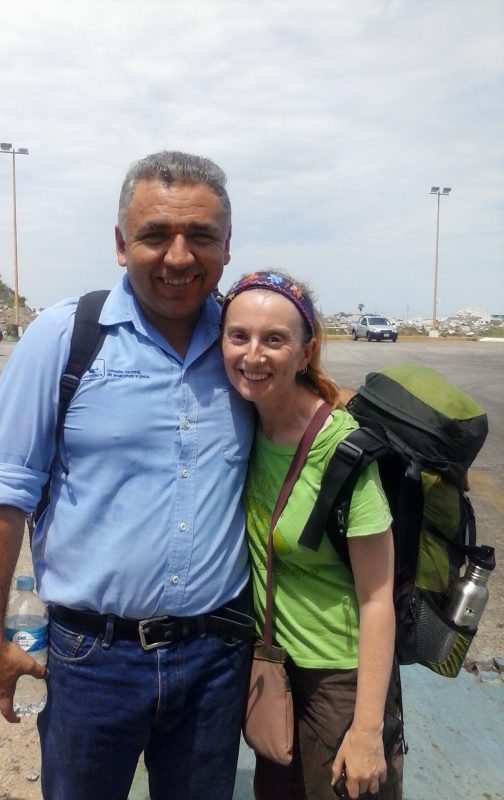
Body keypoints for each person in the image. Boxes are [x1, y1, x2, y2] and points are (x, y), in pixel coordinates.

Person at [0, 151, 256, 800]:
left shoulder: (246, 348)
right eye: (156, 235)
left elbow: (308, 417)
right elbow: (2, 494)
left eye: (201, 236)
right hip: (93, 661)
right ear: (122, 245)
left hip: (216, 657)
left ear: (227, 246)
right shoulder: (64, 337)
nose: (179, 257)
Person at [221, 271, 404, 800]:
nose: (254, 354)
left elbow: (376, 598)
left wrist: (367, 729)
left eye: (274, 340)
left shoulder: (341, 453)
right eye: (240, 337)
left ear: (305, 353)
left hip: (340, 680)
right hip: (275, 667)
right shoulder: (243, 422)